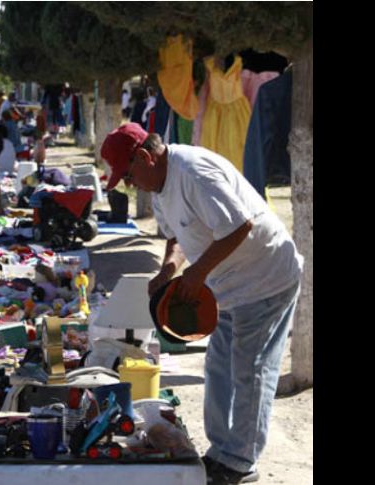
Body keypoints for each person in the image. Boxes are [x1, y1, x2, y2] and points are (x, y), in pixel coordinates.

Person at [100, 123, 303, 485]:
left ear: (146, 157)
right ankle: (220, 452)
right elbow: (177, 236)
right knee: (219, 366)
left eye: (128, 175)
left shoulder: (193, 172)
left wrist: (196, 274)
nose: (130, 185)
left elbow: (240, 226)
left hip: (265, 277)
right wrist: (168, 269)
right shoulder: (160, 185)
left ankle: (240, 461)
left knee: (251, 369)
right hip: (226, 286)